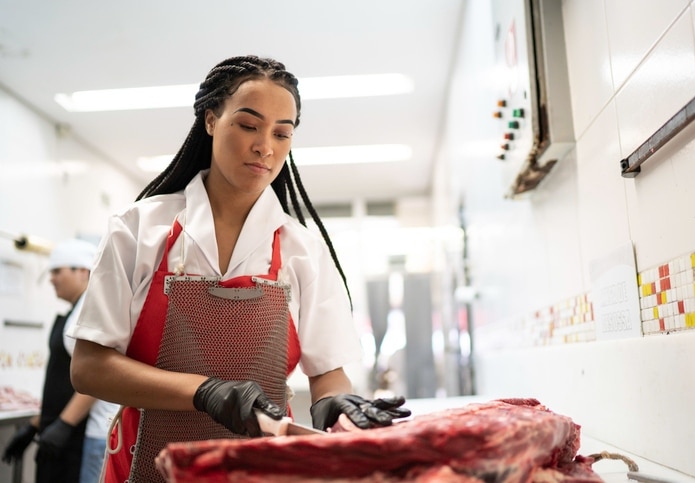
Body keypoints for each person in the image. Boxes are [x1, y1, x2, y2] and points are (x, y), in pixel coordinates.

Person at [68, 55, 410, 483]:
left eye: (282, 133)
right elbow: (89, 367)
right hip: (146, 462)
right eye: (248, 125)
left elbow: (328, 373)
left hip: (262, 468)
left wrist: (335, 404)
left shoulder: (302, 250)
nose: (265, 146)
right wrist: (204, 392)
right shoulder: (140, 230)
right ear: (211, 120)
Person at [2, 238, 97, 483]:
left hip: (73, 436)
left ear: (83, 271)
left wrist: (63, 426)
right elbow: (60, 382)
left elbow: (94, 380)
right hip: (56, 430)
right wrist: (34, 426)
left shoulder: (88, 313)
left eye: (57, 271)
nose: (51, 278)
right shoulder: (72, 312)